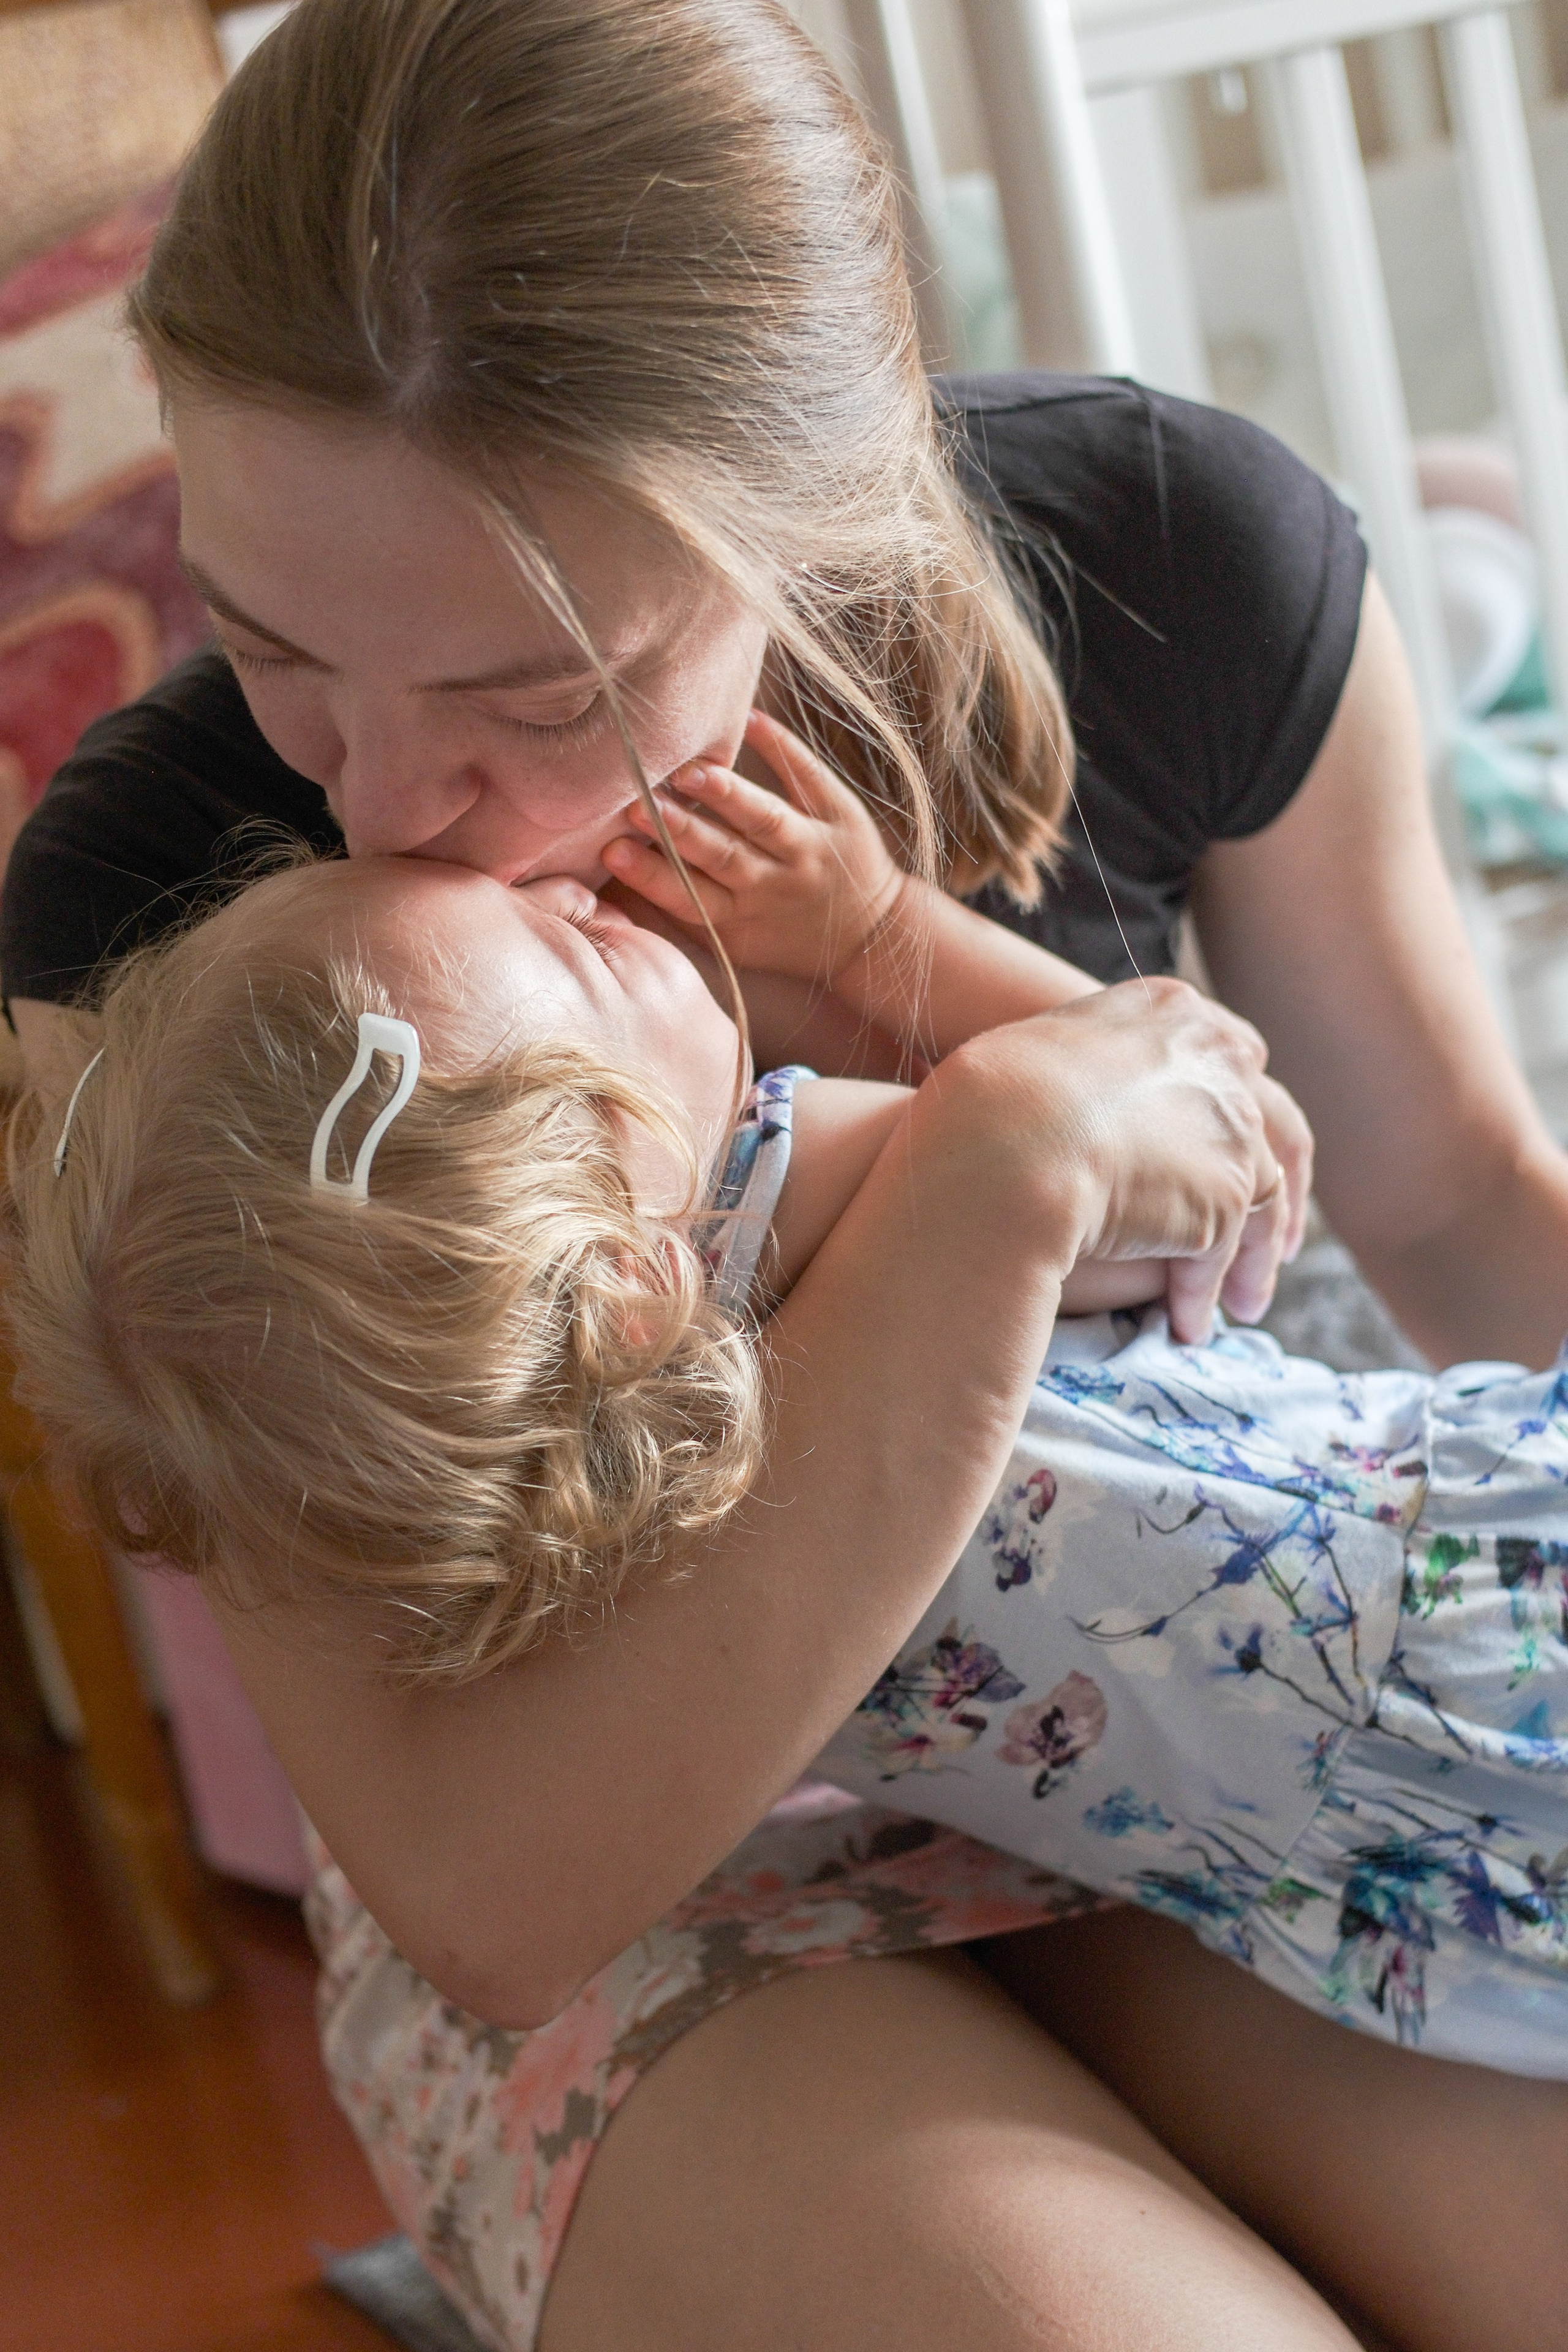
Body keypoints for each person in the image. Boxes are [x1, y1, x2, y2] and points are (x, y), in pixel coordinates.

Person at [6, 1, 1567, 2345]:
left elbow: (1445, 1213)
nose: (382, 810)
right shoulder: (157, 920)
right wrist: (988, 1187)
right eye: (278, 649)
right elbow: (488, 1884)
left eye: (541, 700)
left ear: (822, 524)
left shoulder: (1179, 555)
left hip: (1223, 1749)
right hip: (644, 1858)